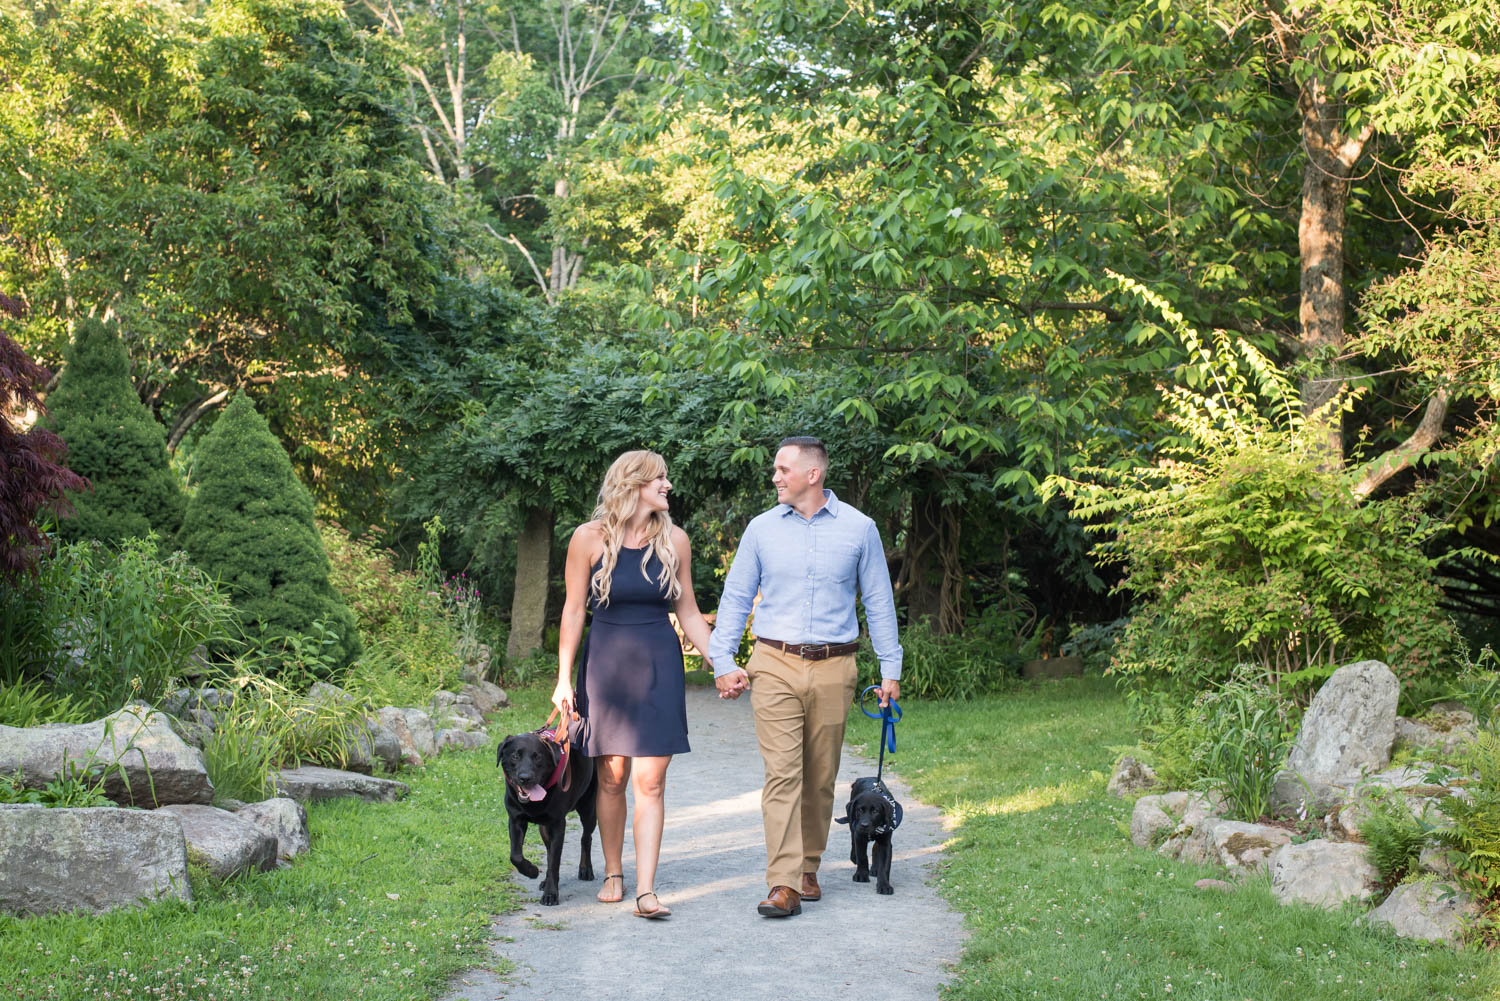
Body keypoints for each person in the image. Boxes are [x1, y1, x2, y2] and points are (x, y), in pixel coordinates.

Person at [707, 436, 903, 918]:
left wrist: (890, 667)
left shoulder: (860, 529)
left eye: (782, 469)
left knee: (820, 776)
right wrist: (724, 659)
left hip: (837, 665)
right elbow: (735, 599)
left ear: (812, 474)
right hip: (773, 662)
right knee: (782, 774)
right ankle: (783, 881)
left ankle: (808, 864)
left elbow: (879, 600)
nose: (774, 476)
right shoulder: (760, 530)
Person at [552, 450, 716, 919]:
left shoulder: (675, 541)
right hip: (604, 667)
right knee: (612, 776)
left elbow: (687, 612)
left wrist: (721, 663)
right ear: (634, 484)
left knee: (652, 781)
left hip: (658, 667)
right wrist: (563, 679)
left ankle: (646, 889)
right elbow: (573, 611)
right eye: (659, 478)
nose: (668, 485)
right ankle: (612, 871)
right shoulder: (587, 539)